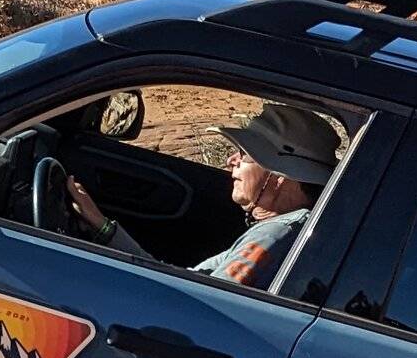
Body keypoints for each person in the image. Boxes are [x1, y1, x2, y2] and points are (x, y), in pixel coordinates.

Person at [68, 100, 342, 289]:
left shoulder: (275, 236)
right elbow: (183, 283)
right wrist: (102, 227)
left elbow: (199, 304)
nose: (230, 161)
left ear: (281, 176)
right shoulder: (287, 230)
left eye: (245, 155)